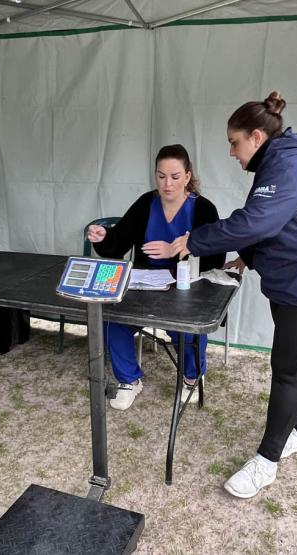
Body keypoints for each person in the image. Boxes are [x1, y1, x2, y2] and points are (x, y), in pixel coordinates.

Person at [162, 92, 297, 498]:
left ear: (255, 136)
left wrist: (193, 240)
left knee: (286, 369)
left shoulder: (289, 164)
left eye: (234, 143)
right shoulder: (280, 162)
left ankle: (266, 463)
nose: (231, 152)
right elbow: (272, 225)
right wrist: (246, 258)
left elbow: (257, 220)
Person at [87, 145, 225, 410]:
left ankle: (192, 376)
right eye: (161, 176)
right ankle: (129, 380)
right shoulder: (145, 204)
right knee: (113, 318)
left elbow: (215, 258)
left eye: (174, 176)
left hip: (186, 287)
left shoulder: (203, 209)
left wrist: (177, 249)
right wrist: (104, 237)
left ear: (187, 176)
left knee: (185, 327)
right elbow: (119, 242)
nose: (167, 184)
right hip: (145, 285)